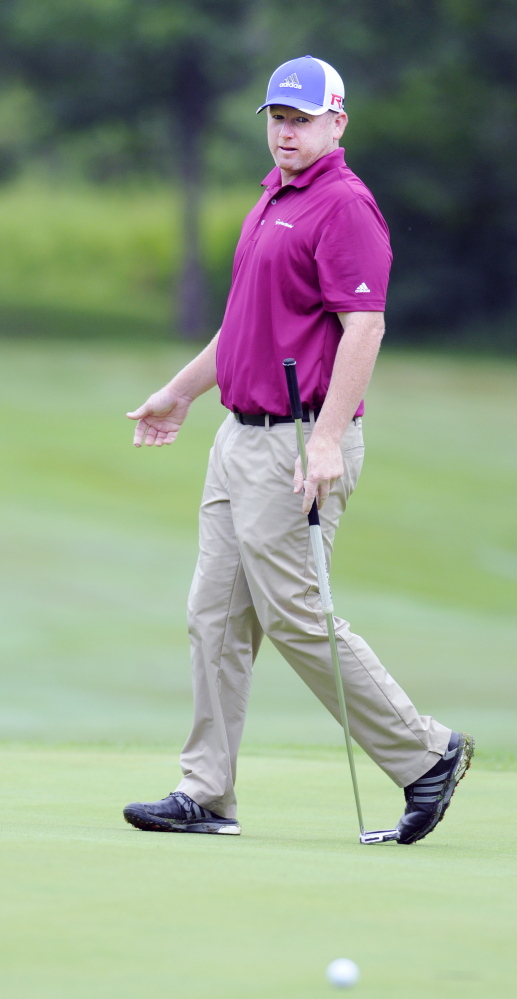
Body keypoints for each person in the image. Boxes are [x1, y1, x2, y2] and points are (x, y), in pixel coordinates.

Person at [123, 55, 474, 844]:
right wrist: (180, 392)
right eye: (277, 118)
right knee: (213, 615)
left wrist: (322, 441)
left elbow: (365, 327)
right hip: (236, 438)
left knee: (296, 617)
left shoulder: (344, 206)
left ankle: (426, 753)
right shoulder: (271, 199)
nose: (285, 131)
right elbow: (244, 329)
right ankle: (206, 792)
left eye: (301, 119)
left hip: (296, 440)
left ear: (336, 122)